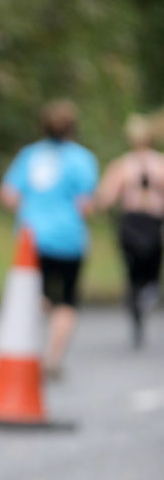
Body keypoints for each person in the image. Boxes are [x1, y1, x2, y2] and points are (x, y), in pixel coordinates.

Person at [0, 98, 98, 377]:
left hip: (31, 238)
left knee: (34, 295)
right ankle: (53, 358)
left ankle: (28, 346)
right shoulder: (82, 159)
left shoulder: (29, 155)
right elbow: (86, 205)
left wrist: (30, 211)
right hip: (68, 239)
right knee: (67, 300)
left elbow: (7, 195)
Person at [95, 113, 164, 345]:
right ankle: (146, 296)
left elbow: (105, 197)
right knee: (152, 270)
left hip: (131, 223)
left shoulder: (123, 165)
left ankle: (137, 300)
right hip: (152, 223)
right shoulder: (160, 163)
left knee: (133, 272)